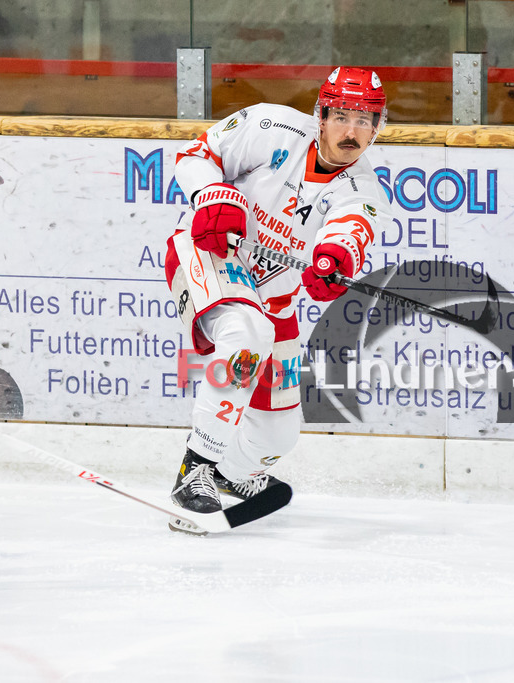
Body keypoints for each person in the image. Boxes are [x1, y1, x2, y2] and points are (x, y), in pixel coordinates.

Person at [164, 66, 392, 531]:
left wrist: (335, 261)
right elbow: (194, 154)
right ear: (321, 115)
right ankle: (196, 471)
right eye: (343, 116)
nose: (352, 132)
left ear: (377, 127)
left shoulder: (365, 192)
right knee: (248, 332)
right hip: (208, 253)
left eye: (365, 120)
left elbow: (350, 233)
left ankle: (232, 473)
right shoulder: (269, 126)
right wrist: (213, 195)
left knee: (278, 433)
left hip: (272, 297)